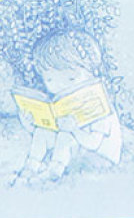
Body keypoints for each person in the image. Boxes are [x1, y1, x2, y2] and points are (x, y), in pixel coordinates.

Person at [16, 29, 122, 183]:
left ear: (91, 73)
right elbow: (53, 132)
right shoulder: (62, 103)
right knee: (42, 132)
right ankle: (30, 167)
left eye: (71, 78)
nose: (60, 86)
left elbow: (93, 144)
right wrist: (30, 123)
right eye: (50, 80)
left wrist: (74, 130)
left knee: (66, 136)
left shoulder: (98, 104)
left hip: (99, 157)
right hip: (75, 151)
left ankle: (53, 172)